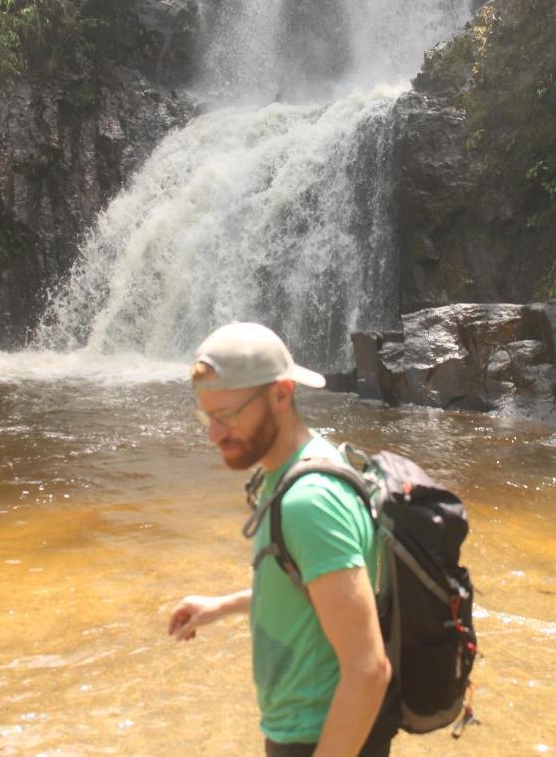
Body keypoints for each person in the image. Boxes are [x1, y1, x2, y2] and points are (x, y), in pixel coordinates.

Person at [169, 322, 398, 756]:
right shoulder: (304, 463)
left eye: (227, 417)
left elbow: (368, 670)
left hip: (324, 738)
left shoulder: (309, 501)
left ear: (281, 394)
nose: (212, 435)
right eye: (206, 416)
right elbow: (310, 589)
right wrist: (223, 606)